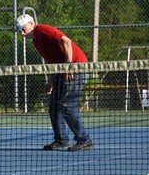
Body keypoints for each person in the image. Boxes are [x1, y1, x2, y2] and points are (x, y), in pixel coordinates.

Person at [15, 14, 92, 151]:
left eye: (23, 29)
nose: (21, 33)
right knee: (54, 105)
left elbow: (66, 41)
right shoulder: (36, 41)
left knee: (67, 104)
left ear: (32, 23)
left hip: (77, 68)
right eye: (19, 31)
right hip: (62, 71)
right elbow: (53, 61)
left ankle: (84, 140)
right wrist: (50, 81)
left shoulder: (44, 30)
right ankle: (61, 140)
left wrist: (69, 65)